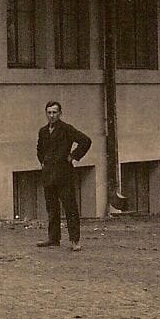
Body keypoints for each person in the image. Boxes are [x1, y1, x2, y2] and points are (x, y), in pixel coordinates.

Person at [36, 100, 92, 251]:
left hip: (64, 175)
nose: (52, 115)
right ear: (46, 114)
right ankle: (53, 239)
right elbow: (39, 149)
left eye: (55, 112)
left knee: (70, 208)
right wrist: (43, 162)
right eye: (49, 112)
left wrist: (73, 156)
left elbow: (85, 141)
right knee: (52, 208)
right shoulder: (43, 131)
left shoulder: (67, 129)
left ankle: (74, 240)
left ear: (60, 113)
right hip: (48, 175)